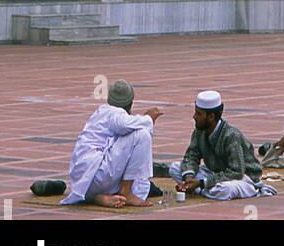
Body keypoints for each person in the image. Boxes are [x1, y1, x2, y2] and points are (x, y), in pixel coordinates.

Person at [61, 79, 161, 207]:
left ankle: (98, 197)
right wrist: (148, 118)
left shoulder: (100, 112)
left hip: (83, 184)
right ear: (130, 103)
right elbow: (124, 123)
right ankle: (126, 193)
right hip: (97, 175)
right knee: (142, 135)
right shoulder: (115, 113)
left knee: (132, 138)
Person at [171, 90, 271, 200]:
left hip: (243, 178)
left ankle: (202, 189)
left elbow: (236, 172)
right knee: (175, 168)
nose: (194, 116)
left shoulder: (231, 135)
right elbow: (191, 156)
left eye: (199, 113)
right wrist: (189, 177)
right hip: (216, 175)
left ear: (211, 116)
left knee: (225, 190)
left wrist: (201, 183)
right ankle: (203, 189)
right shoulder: (199, 131)